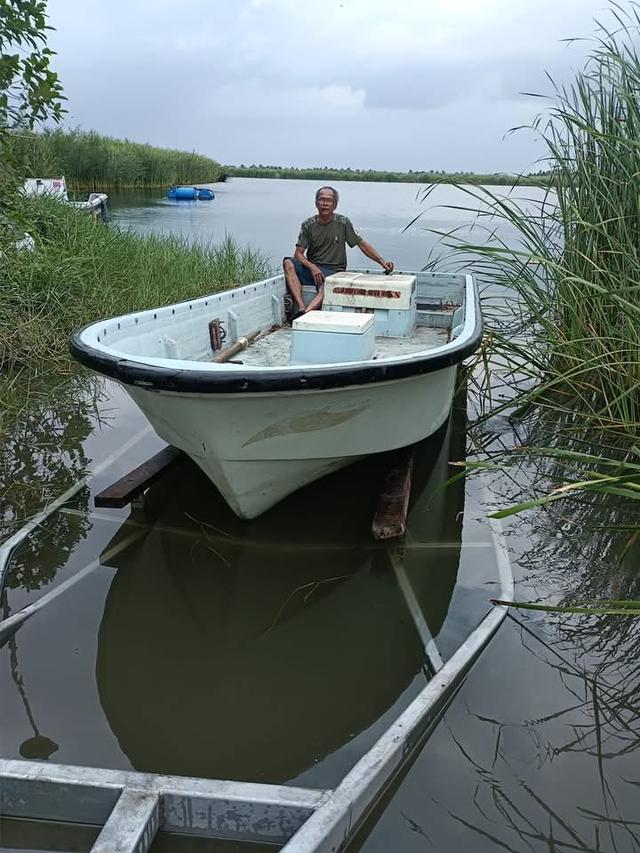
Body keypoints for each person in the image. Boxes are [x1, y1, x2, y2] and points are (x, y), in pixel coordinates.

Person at [283, 186, 394, 317]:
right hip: (314, 270)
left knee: (328, 285)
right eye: (321, 200)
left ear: (335, 205)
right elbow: (298, 254)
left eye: (329, 200)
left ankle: (305, 315)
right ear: (316, 203)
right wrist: (312, 267)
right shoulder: (308, 225)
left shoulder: (343, 222)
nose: (325, 203)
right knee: (288, 263)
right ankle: (300, 307)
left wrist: (382, 262)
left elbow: (362, 244)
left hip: (334, 271)